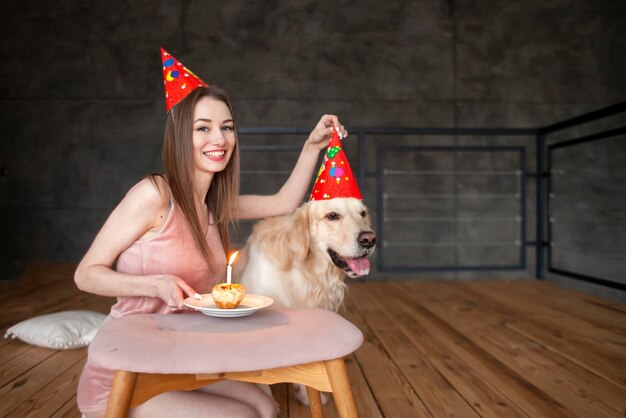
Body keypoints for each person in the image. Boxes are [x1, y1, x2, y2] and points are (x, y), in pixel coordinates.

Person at [74, 50, 348, 418]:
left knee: (266, 407)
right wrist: (154, 285)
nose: (218, 138)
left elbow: (283, 202)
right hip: (129, 365)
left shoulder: (216, 204)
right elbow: (86, 274)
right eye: (202, 127)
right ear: (181, 135)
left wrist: (312, 146)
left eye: (227, 126)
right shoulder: (155, 194)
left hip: (179, 354)